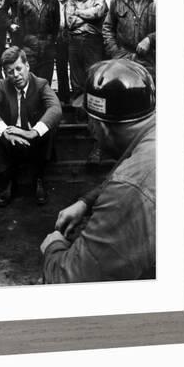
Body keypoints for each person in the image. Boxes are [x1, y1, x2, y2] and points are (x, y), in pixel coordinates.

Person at [41, 59, 156, 283]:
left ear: (99, 126)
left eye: (89, 121)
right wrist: (86, 202)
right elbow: (134, 176)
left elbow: (72, 282)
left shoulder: (128, 190)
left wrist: (52, 247)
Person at [0, 47, 62, 207]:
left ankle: (39, 177)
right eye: (10, 72)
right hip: (11, 140)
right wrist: (5, 132)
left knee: (50, 124)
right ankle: (7, 180)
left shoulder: (41, 84)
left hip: (34, 140)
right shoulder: (1, 86)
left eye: (19, 69)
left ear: (27, 66)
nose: (16, 75)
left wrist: (33, 132)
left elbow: (55, 108)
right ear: (5, 73)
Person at [102, 0, 156, 79]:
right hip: (123, 62)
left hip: (150, 64)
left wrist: (150, 39)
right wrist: (115, 52)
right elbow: (107, 28)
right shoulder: (118, 0)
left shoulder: (156, 0)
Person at [63, 0, 108, 99]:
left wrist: (78, 12)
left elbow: (98, 12)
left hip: (93, 41)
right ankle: (79, 115)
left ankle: (93, 114)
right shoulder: (71, 1)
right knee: (77, 81)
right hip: (75, 42)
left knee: (94, 77)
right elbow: (70, 23)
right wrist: (90, 18)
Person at [15, 0, 60, 83]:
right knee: (29, 83)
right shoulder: (23, 0)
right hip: (29, 49)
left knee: (44, 84)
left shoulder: (53, 0)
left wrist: (50, 42)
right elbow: (20, 26)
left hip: (47, 48)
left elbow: (56, 26)